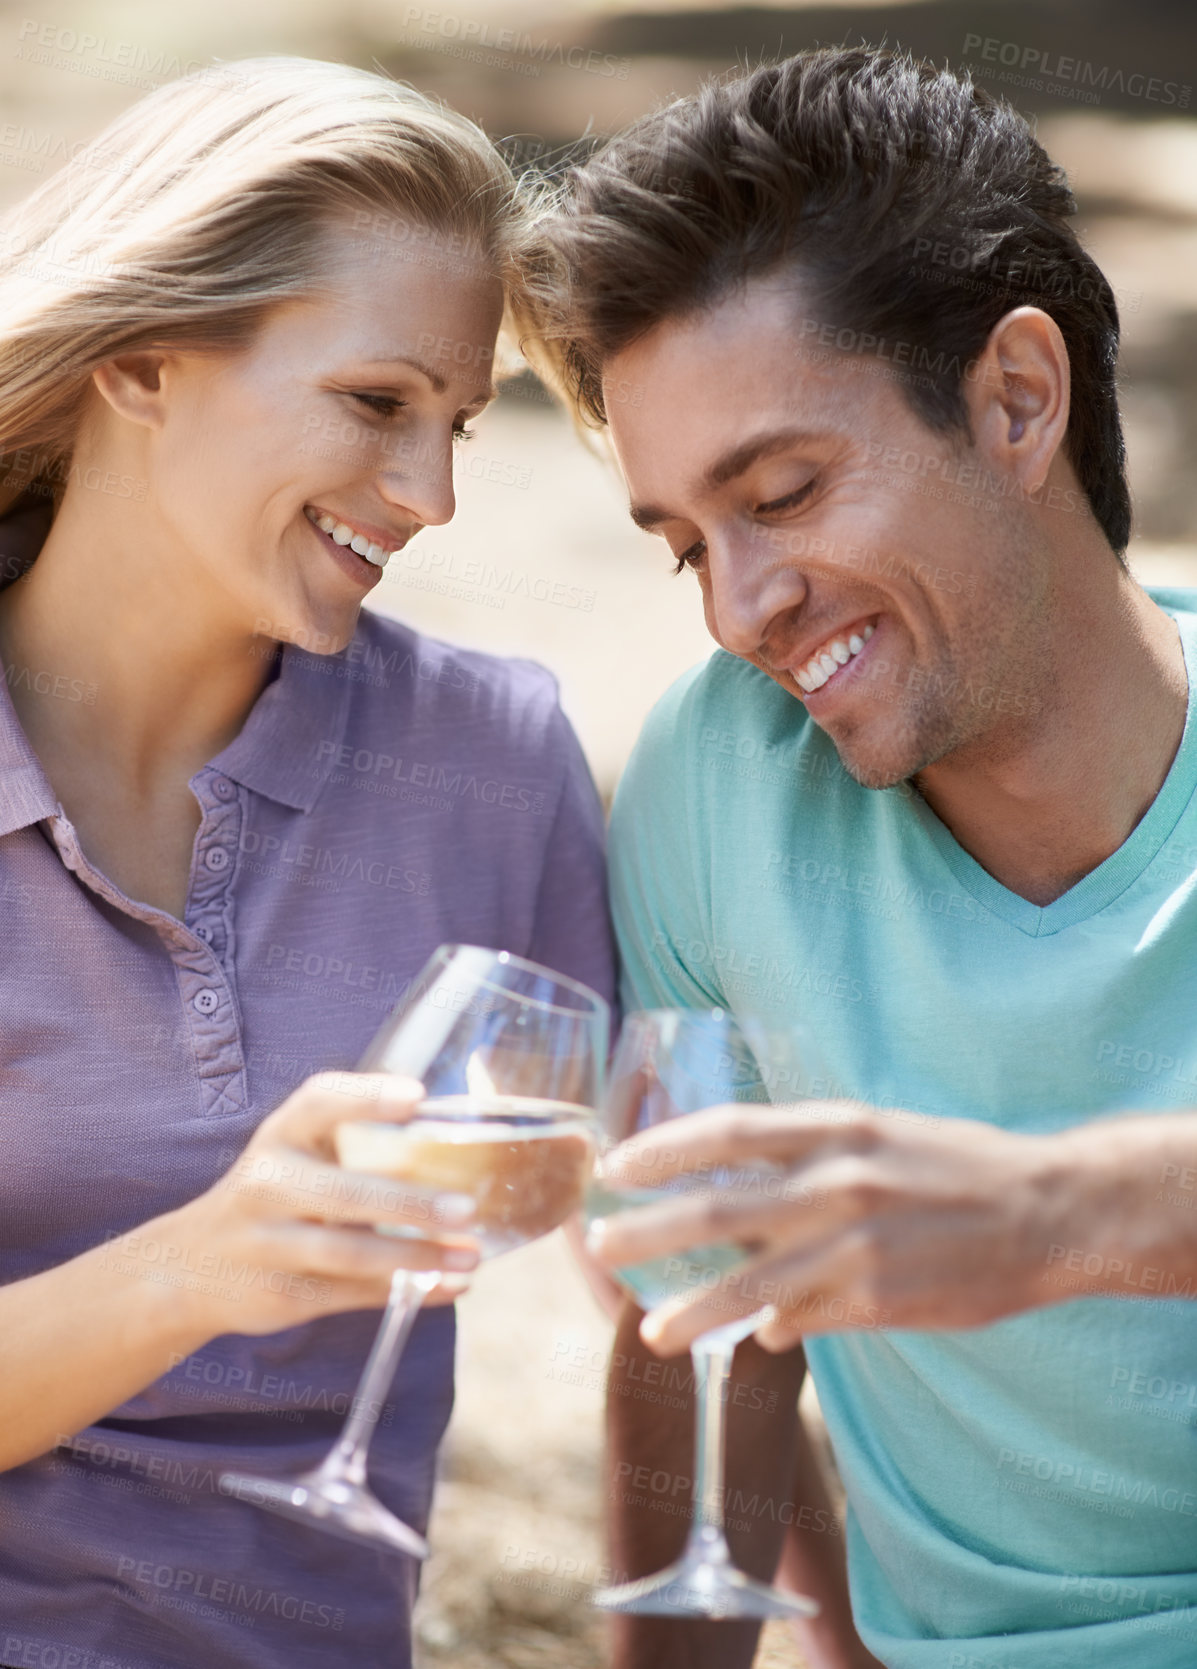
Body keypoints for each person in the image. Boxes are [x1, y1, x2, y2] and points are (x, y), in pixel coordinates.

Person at [526, 45, 1197, 1669]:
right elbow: (699, 1332)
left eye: (783, 491)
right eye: (690, 539)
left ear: (1015, 401)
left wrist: (1053, 1214)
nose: (736, 605)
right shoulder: (715, 784)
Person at [0, 56, 614, 1669]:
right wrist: (204, 1264)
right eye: (375, 403)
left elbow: (665, 1259)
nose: (433, 494)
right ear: (140, 359)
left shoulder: (486, 767)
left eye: (462, 422)